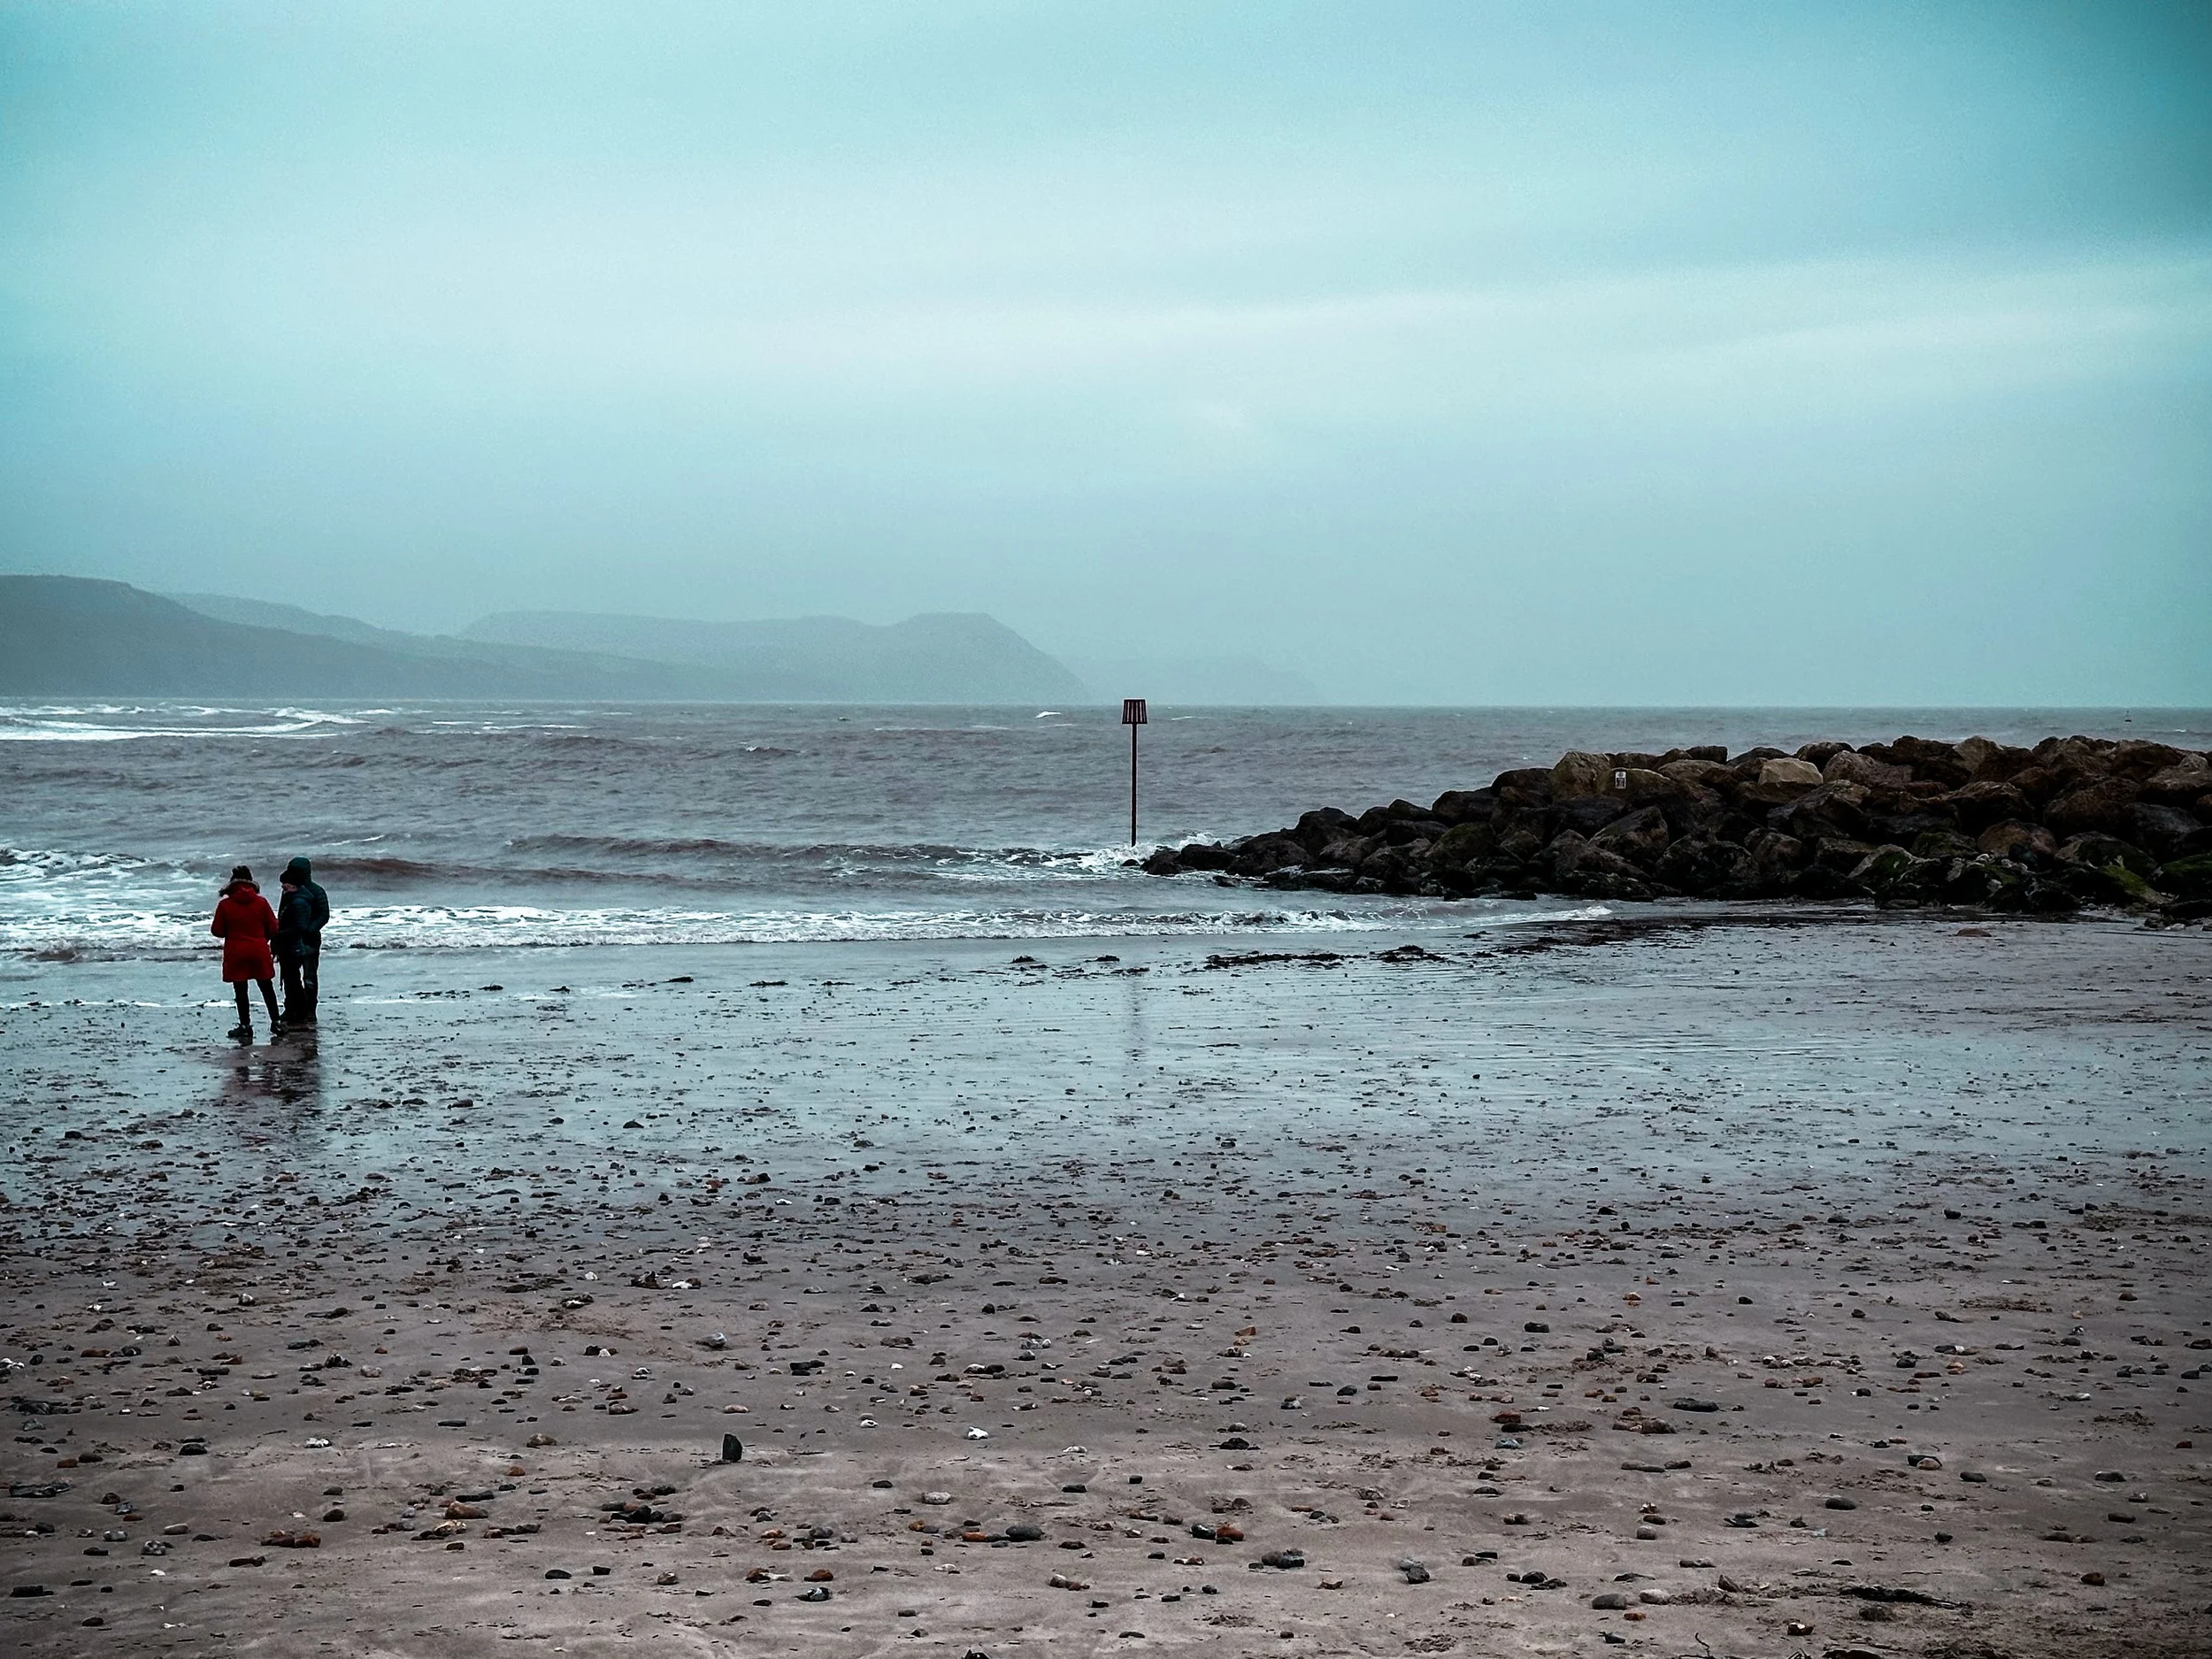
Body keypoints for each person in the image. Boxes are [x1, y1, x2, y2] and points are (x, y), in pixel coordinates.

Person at [211, 865, 281, 1041]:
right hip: (259, 948)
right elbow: (273, 927)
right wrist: (261, 937)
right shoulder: (261, 902)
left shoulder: (225, 905)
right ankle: (276, 1021)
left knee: (241, 990)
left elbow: (217, 930)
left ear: (232, 883)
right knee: (266, 987)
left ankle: (245, 1025)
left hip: (236, 951)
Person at [277, 855, 329, 1025]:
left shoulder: (317, 891)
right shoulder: (289, 891)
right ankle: (292, 1008)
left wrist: (309, 929)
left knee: (309, 977)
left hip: (309, 939)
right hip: (291, 939)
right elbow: (283, 913)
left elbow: (323, 915)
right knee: (289, 976)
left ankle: (310, 1010)